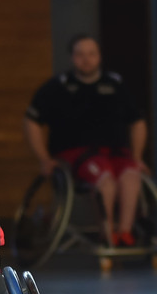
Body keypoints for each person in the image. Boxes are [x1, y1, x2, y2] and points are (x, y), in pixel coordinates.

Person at [23, 34, 147, 247]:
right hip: (77, 155)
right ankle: (107, 236)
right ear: (72, 57)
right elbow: (31, 121)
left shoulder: (116, 84)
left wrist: (137, 157)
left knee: (131, 176)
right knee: (105, 180)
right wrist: (44, 158)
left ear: (99, 57)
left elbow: (137, 122)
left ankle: (124, 234)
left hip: (116, 152)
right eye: (80, 54)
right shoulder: (57, 87)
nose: (86, 59)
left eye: (91, 54)